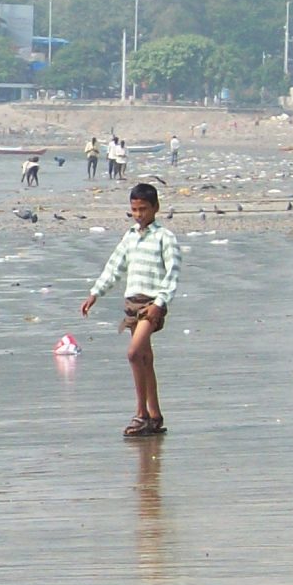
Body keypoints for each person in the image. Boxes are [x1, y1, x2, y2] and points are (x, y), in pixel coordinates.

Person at [80, 183, 181, 438]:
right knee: (145, 359)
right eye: (134, 210)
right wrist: (95, 293)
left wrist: (159, 303)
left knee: (134, 353)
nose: (139, 214)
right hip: (132, 303)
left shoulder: (164, 237)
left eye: (143, 209)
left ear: (155, 208)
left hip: (151, 304)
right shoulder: (131, 236)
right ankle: (154, 415)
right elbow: (114, 267)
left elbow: (172, 273)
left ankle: (141, 413)